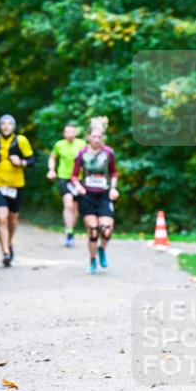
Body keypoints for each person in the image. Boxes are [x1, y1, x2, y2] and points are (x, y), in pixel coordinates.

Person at [0, 114, 35, 267]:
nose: (6, 127)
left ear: (13, 126)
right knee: (2, 218)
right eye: (3, 124)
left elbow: (32, 160)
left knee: (13, 219)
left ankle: (9, 242)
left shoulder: (21, 140)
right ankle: (5, 252)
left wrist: (22, 162)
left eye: (9, 124)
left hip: (16, 184)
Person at [70, 117, 118, 275]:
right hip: (88, 195)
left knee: (107, 230)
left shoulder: (109, 153)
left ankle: (102, 249)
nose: (96, 140)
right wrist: (78, 186)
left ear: (102, 138)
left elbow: (114, 172)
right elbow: (74, 176)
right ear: (88, 137)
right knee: (93, 230)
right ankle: (92, 260)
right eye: (94, 136)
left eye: (99, 137)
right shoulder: (82, 154)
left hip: (104, 195)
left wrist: (113, 188)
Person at [47, 123, 87, 247]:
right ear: (64, 134)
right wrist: (51, 169)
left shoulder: (82, 144)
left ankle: (71, 230)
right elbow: (52, 158)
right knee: (68, 202)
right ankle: (69, 231)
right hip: (64, 178)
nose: (69, 134)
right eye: (67, 132)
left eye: (72, 132)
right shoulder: (59, 144)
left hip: (78, 180)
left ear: (75, 133)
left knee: (75, 208)